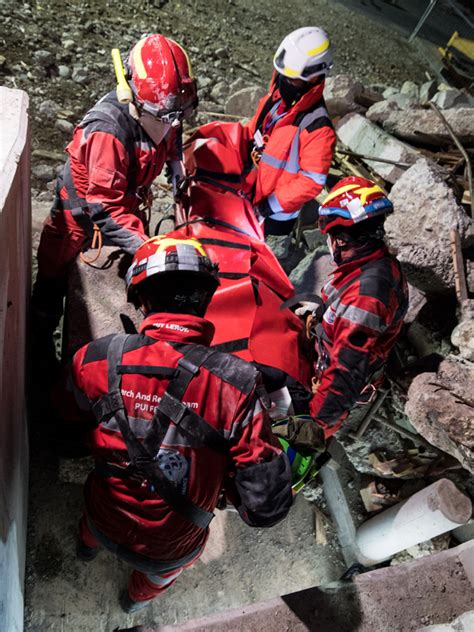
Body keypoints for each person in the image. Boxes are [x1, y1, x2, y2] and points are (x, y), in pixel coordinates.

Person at [53, 236, 293, 613]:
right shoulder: (237, 386)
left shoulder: (95, 358)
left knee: (93, 527)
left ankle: (85, 549)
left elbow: (65, 418)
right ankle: (132, 603)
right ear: (207, 299)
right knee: (155, 579)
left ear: (141, 300)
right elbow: (265, 508)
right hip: (169, 545)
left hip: (103, 514)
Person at [31, 33, 198, 338]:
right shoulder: (108, 130)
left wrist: (176, 164)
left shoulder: (162, 110)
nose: (172, 124)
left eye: (177, 116)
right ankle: (39, 347)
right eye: (165, 117)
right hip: (78, 219)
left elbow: (172, 128)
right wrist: (147, 247)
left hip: (126, 204)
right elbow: (104, 206)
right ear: (132, 95)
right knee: (51, 285)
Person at [306, 176, 408, 438]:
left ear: (340, 240)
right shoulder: (369, 264)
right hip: (332, 360)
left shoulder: (366, 296)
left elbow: (345, 373)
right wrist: (318, 316)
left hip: (342, 392)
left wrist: (316, 429)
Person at [246, 26, 336, 236]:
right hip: (249, 191)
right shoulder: (276, 96)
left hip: (274, 215)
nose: (286, 81)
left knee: (255, 264)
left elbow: (312, 181)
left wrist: (268, 206)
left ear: (315, 77)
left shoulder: (317, 128)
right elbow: (253, 131)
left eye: (293, 79)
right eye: (284, 75)